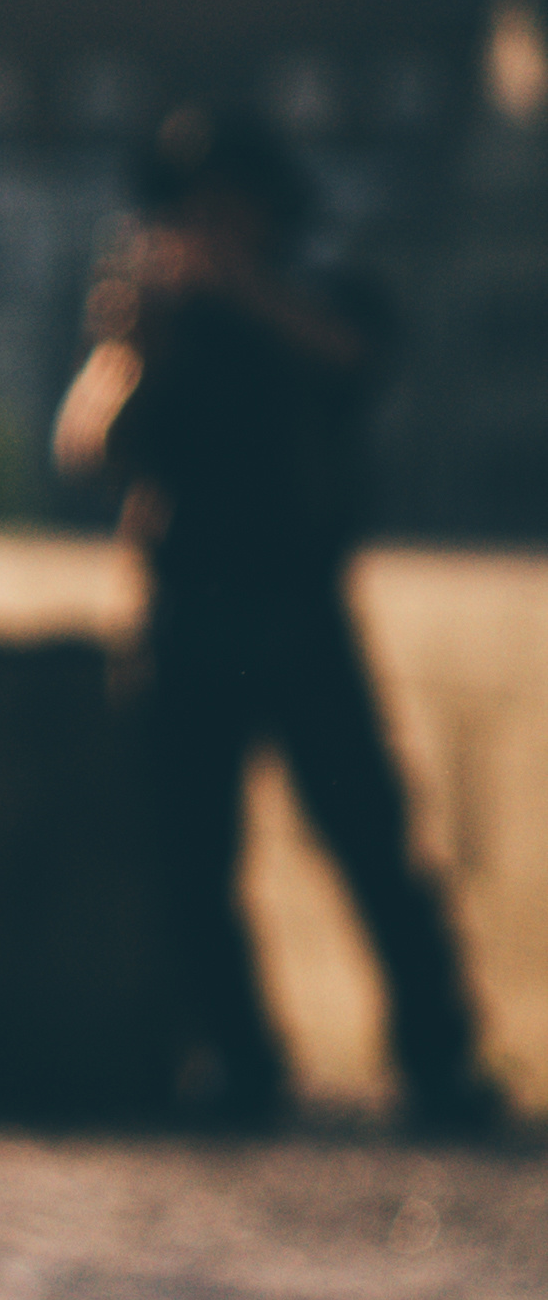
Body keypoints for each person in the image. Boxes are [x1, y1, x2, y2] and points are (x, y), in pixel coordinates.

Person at [58, 105, 507, 1139]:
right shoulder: (159, 319)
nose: (211, 227)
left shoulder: (315, 293)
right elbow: (88, 446)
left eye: (229, 206)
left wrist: (235, 288)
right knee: (189, 856)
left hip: (298, 604)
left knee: (368, 841)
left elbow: (352, 355)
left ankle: (435, 1058)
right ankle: (237, 1056)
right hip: (183, 605)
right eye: (194, 211)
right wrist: (136, 341)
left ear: (266, 212)